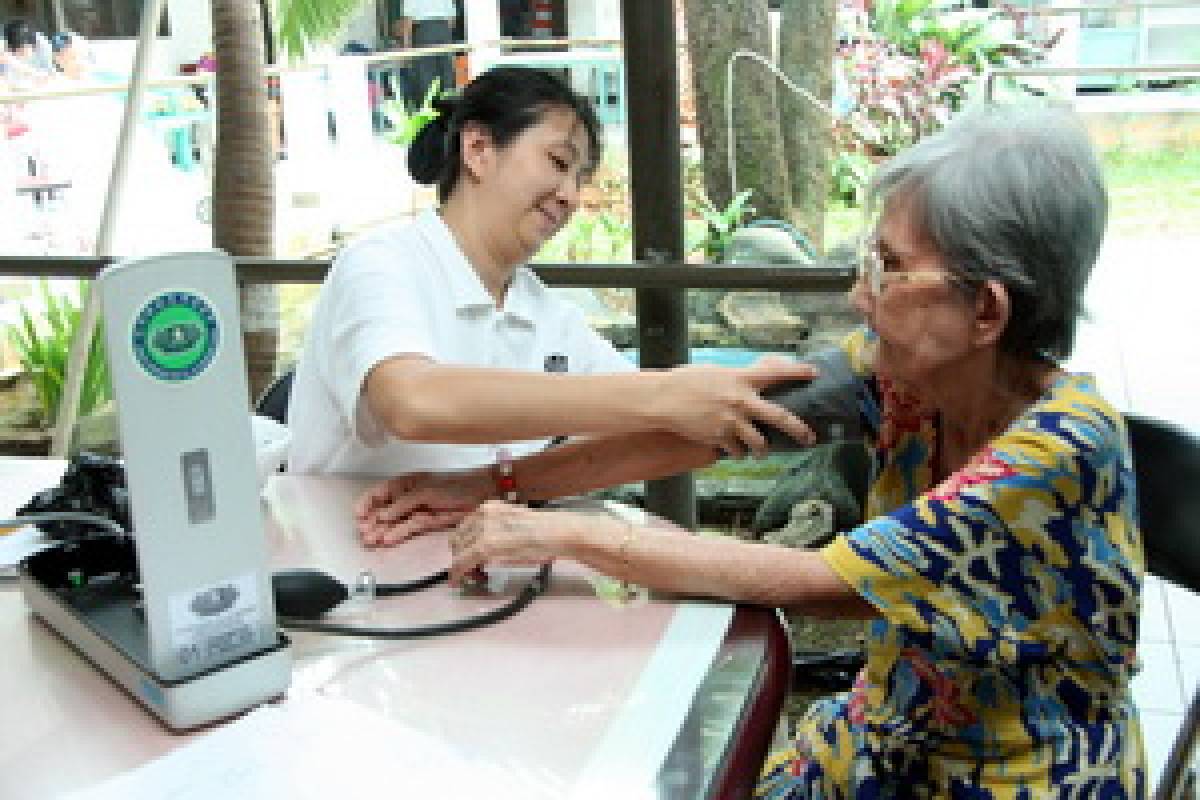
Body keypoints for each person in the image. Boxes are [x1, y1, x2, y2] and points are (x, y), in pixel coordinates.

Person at [357, 102, 1145, 796]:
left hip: (1014, 769)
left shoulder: (1059, 450)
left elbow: (822, 581)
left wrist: (569, 533)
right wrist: (503, 482)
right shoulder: (906, 373)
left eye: (893, 270)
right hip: (892, 729)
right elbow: (700, 428)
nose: (858, 296)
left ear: (987, 312)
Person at [287, 66, 816, 482]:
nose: (570, 196)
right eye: (558, 163)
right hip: (350, 570)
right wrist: (661, 394)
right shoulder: (381, 265)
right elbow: (413, 401)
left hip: (477, 569)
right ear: (478, 149)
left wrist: (748, 399)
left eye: (580, 177)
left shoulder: (542, 312)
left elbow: (645, 416)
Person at [393, 0, 458, 111]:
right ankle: (449, 112)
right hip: (444, 32)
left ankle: (429, 113)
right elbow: (452, 21)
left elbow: (407, 23)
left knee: (425, 77)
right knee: (447, 74)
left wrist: (406, 50)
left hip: (424, 32)